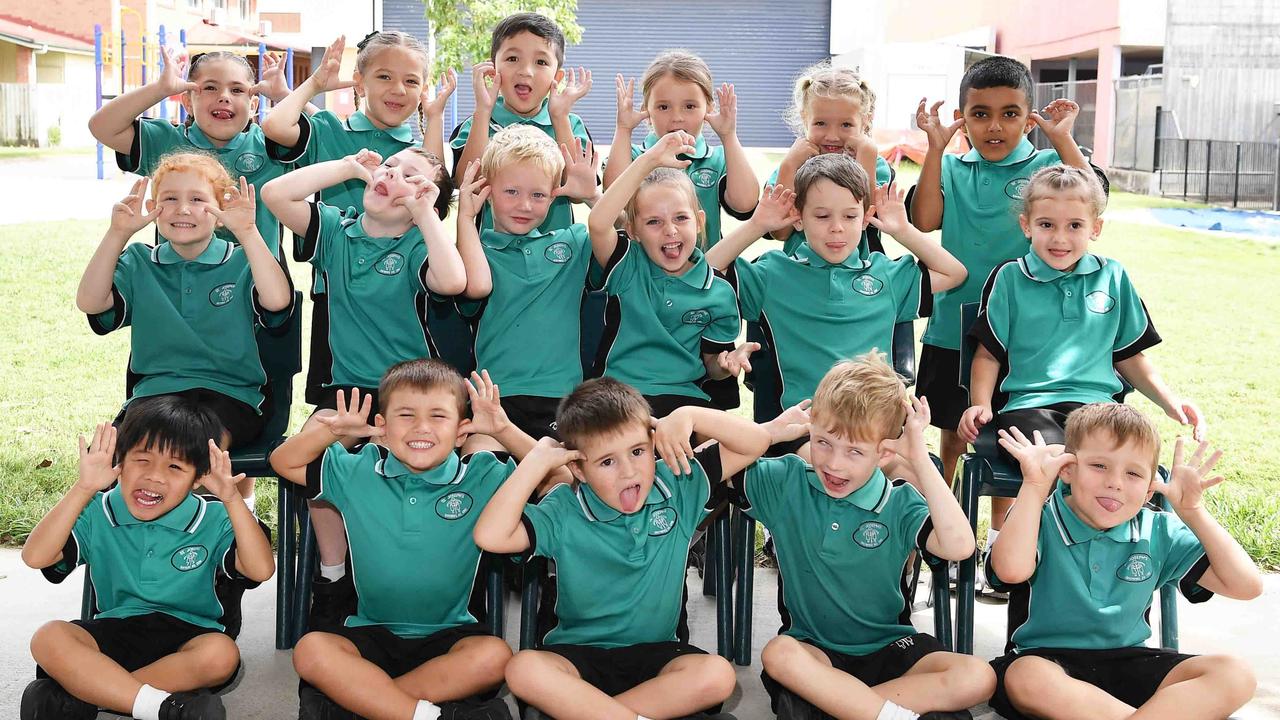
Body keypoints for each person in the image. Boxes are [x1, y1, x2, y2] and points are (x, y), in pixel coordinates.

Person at [474, 377, 773, 720]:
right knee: (523, 668)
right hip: (574, 658)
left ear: (653, 441)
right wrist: (537, 461)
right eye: (607, 462)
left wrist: (689, 414)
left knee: (718, 675)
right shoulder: (564, 507)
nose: (629, 471)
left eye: (637, 451)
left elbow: (756, 442)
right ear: (578, 469)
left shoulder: (677, 483)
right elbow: (491, 536)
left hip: (660, 656)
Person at [261, 146, 467, 629]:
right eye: (390, 167)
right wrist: (350, 166)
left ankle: (423, 573)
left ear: (425, 202)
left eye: (410, 176)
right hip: (349, 391)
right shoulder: (336, 230)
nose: (392, 175)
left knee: (421, 467)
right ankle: (332, 576)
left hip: (412, 394)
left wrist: (426, 214)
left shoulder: (420, 244)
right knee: (312, 463)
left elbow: (454, 280)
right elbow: (274, 192)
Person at [269, 360, 545, 720]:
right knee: (310, 650)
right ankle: (426, 715)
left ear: (462, 432)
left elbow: (557, 479)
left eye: (438, 416)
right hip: (369, 631)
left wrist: (505, 430)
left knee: (495, 657)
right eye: (406, 415)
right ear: (381, 428)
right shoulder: (358, 470)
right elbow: (283, 461)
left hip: (452, 635)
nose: (422, 427)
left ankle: (371, 703)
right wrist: (332, 433)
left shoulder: (481, 476)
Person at [910, 55, 1105, 551]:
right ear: (961, 116)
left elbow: (1095, 199)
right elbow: (924, 219)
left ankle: (1001, 540)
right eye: (979, 114)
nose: (994, 126)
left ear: (1029, 116)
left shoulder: (1046, 166)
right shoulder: (951, 166)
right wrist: (935, 150)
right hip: (953, 325)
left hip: (1021, 335)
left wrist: (1061, 139)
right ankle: (944, 534)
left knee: (1009, 439)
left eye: (1010, 113)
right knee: (954, 434)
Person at [744, 353, 993, 720]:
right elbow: (710, 469)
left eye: (855, 451)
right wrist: (770, 432)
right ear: (809, 427)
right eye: (823, 442)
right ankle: (882, 713)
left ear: (885, 452)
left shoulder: (900, 501)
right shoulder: (786, 481)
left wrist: (920, 460)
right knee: (779, 655)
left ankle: (848, 708)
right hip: (814, 652)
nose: (833, 463)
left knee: (978, 676)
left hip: (892, 647)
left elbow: (959, 546)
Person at [987, 404, 1261, 720]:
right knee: (1025, 676)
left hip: (1131, 662)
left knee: (1235, 673)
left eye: (1132, 473)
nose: (1115, 482)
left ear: (1148, 490)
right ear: (1067, 469)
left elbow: (1246, 586)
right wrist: (1033, 489)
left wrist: (1193, 513)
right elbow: (1010, 570)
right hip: (1049, 664)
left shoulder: (1158, 530)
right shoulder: (1037, 517)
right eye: (1099, 466)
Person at [21, 397, 274, 720]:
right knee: (48, 637)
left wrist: (231, 500)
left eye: (175, 466)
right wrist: (83, 489)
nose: (154, 476)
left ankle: (86, 695)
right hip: (115, 629)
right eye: (142, 460)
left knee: (221, 655)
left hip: (188, 636)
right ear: (120, 463)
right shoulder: (98, 510)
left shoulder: (214, 516)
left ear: (199, 477)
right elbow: (35, 556)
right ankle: (160, 707)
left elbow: (261, 569)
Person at [706, 154, 966, 443]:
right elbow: (706, 272)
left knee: (916, 476)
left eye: (850, 216)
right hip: (806, 428)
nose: (837, 227)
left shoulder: (887, 276)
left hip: (877, 430)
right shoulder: (772, 275)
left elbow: (955, 273)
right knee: (836, 462)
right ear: (799, 218)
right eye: (821, 216)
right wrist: (756, 225)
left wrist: (903, 231)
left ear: (866, 217)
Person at [261, 31, 458, 403]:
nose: (397, 88)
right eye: (384, 76)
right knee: (337, 395)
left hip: (400, 287)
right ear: (360, 81)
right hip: (336, 285)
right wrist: (314, 83)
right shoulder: (330, 129)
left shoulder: (412, 153)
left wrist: (434, 118)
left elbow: (436, 182)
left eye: (411, 80)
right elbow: (274, 127)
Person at [958, 165, 1204, 460]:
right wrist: (982, 404)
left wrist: (1170, 402)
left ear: (1095, 228)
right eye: (1046, 225)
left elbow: (1129, 356)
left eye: (1074, 226)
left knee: (1126, 461)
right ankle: (1054, 502)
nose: (1060, 239)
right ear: (1026, 225)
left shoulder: (1113, 276)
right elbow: (988, 354)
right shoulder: (1010, 278)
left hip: (1100, 409)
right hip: (1031, 408)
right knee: (1057, 460)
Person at [75, 151, 294, 467]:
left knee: (187, 449)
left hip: (231, 396)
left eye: (197, 199)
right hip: (154, 395)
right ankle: (134, 516)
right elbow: (90, 302)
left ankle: (203, 515)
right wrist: (118, 233)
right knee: (113, 457)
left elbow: (277, 302)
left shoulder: (243, 260)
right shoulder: (139, 261)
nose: (183, 209)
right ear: (154, 209)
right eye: (170, 198)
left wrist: (248, 232)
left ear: (219, 213)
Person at [587, 130, 757, 417]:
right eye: (654, 221)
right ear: (633, 231)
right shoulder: (626, 265)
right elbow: (598, 223)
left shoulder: (719, 291)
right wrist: (649, 161)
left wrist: (727, 363)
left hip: (685, 399)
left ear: (699, 222)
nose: (670, 230)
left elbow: (712, 366)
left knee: (742, 444)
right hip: (619, 395)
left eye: (681, 217)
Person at [452, 126, 599, 441]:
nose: (525, 205)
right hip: (495, 399)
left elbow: (635, 235)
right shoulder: (473, 250)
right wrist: (465, 218)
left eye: (538, 195)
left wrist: (591, 196)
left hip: (562, 400)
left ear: (553, 196)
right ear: (486, 190)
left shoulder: (572, 243)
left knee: (562, 482)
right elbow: (476, 286)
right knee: (484, 469)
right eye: (511, 192)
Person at [88, 47, 301, 257]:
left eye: (236, 90)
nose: (224, 97)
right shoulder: (167, 141)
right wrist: (160, 89)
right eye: (210, 88)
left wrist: (285, 95)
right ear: (188, 102)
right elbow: (102, 127)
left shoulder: (272, 144)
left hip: (259, 286)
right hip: (175, 285)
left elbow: (332, 140)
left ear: (253, 105)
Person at [451, 12, 594, 234]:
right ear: (492, 70)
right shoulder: (477, 123)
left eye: (541, 62)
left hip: (559, 258)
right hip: (491, 257)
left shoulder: (570, 124)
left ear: (556, 78)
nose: (526, 71)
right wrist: (483, 111)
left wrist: (559, 117)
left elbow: (578, 192)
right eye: (512, 59)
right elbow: (468, 184)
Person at [604, 50, 759, 248]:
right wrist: (624, 129)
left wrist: (729, 135)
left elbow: (745, 204)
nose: (677, 117)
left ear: (709, 108)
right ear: (646, 109)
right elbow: (612, 198)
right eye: (663, 107)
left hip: (704, 271)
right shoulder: (633, 156)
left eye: (690, 106)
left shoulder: (719, 158)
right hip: (643, 274)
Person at [770, 61, 893, 258]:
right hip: (800, 275)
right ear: (804, 118)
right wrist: (789, 166)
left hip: (859, 278)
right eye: (820, 123)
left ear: (866, 120)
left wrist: (866, 162)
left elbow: (868, 221)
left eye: (846, 124)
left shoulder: (877, 166)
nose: (832, 136)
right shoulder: (793, 165)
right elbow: (779, 232)